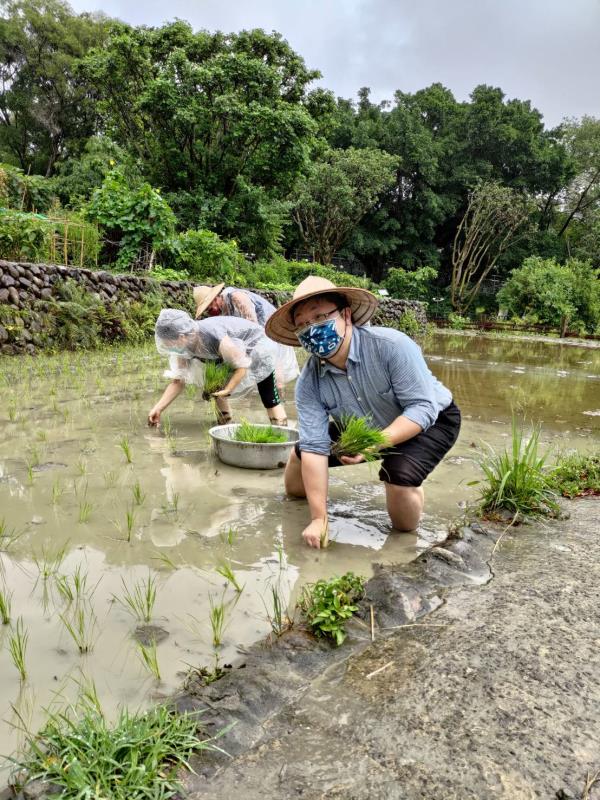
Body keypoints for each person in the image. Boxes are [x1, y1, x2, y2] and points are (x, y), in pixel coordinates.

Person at [265, 276, 461, 549]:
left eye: (320, 316)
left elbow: (423, 407)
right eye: (303, 324)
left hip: (431, 420)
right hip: (363, 424)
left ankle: (409, 513)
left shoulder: (391, 346)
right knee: (299, 460)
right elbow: (314, 447)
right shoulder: (310, 381)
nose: (312, 328)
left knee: (400, 488)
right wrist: (319, 518)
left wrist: (374, 444)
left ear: (346, 315)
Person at [148, 309, 298, 428]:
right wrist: (158, 408)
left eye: (169, 344)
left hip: (257, 346)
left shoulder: (214, 336)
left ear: (181, 337)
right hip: (229, 354)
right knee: (215, 387)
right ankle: (225, 426)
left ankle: (281, 431)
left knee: (268, 395)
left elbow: (241, 366)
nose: (170, 348)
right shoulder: (184, 347)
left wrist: (228, 389)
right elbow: (178, 381)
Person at [193, 283, 298, 387]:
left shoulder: (236, 297)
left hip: (270, 328)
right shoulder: (224, 312)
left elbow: (253, 325)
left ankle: (280, 395)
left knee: (274, 363)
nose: (210, 313)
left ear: (215, 299)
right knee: (255, 367)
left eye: (210, 308)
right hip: (256, 332)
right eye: (207, 311)